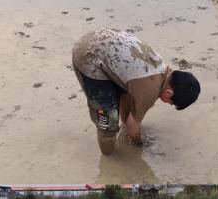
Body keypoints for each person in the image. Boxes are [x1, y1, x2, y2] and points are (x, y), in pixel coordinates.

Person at [72, 28, 200, 154]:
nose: (168, 103)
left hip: (97, 39)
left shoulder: (159, 66)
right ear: (169, 93)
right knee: (107, 123)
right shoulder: (150, 89)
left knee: (125, 92)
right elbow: (132, 128)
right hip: (88, 58)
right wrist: (140, 144)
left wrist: (128, 121)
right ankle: (109, 160)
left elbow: (129, 99)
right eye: (171, 103)